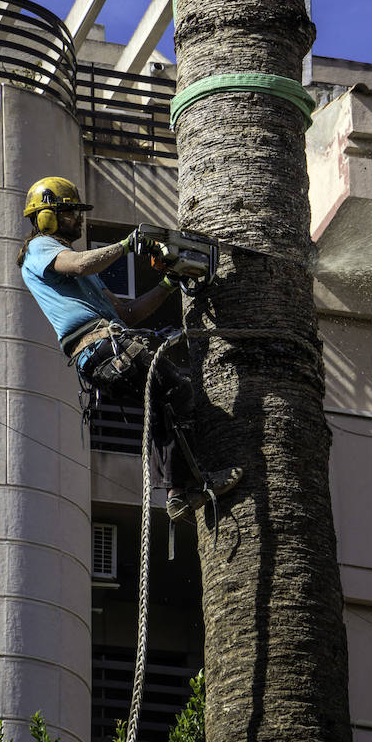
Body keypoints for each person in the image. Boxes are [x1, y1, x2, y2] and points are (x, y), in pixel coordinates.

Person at [17, 176, 242, 522]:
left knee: (164, 403)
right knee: (179, 389)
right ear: (46, 216)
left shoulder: (83, 273)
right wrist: (126, 244)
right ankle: (194, 485)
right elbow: (78, 264)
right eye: (69, 213)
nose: (78, 219)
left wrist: (170, 282)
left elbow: (129, 313)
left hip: (105, 349)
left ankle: (177, 495)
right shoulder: (41, 248)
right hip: (101, 348)